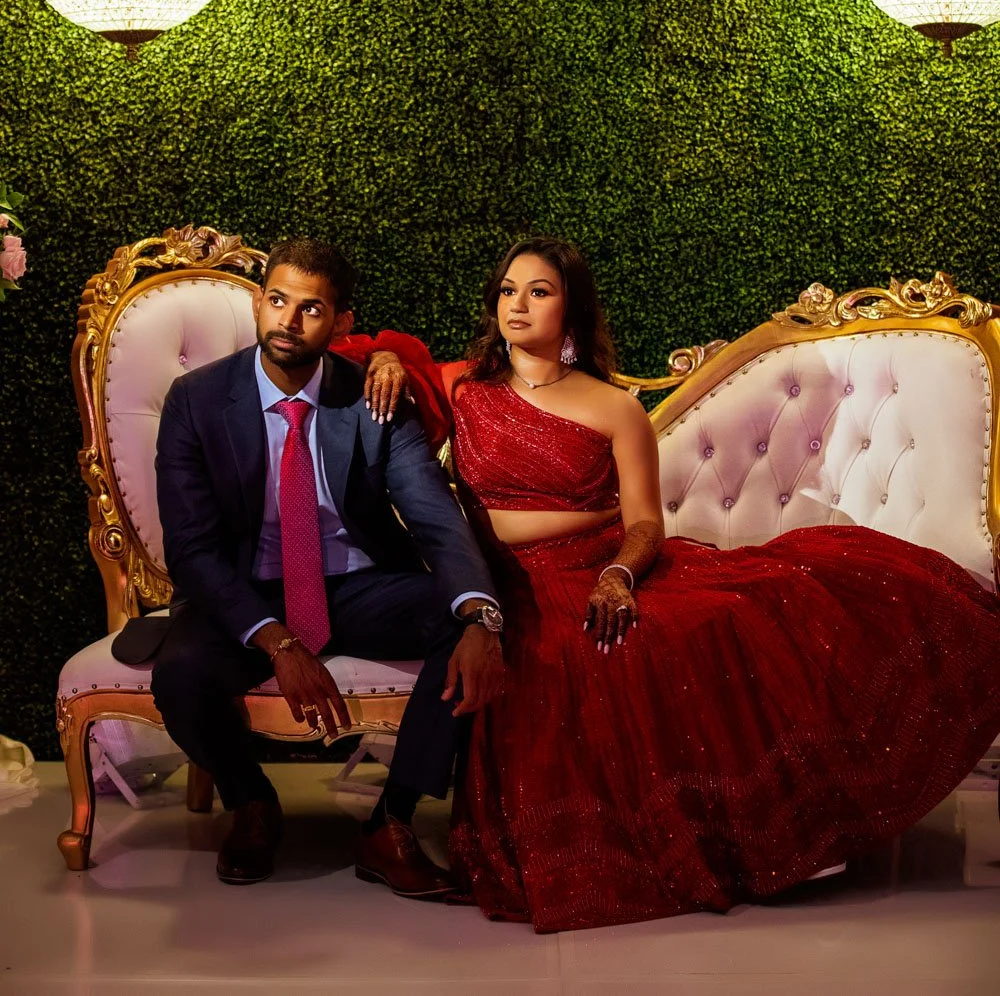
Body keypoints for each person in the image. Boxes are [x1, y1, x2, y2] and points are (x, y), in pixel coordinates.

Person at [416, 235, 1000, 933]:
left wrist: (618, 575)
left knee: (729, 613)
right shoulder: (465, 393)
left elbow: (643, 525)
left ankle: (775, 832)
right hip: (514, 585)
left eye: (538, 291)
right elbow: (389, 384)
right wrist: (390, 358)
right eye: (509, 290)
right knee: (564, 658)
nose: (518, 304)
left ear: (570, 309)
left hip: (603, 567)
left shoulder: (614, 408)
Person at [135, 237, 504, 891]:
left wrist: (480, 612)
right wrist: (275, 638)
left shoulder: (372, 397)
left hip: (353, 581)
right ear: (258, 304)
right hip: (245, 590)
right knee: (181, 674)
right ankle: (250, 802)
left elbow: (433, 514)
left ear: (340, 323)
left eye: (310, 309)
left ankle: (391, 822)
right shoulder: (196, 400)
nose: (288, 320)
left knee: (460, 624)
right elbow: (191, 548)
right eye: (277, 301)